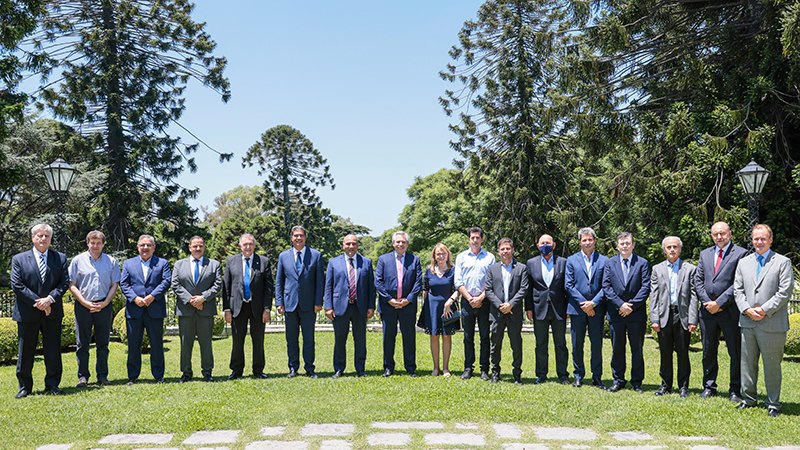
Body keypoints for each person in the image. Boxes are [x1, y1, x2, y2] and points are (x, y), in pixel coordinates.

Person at [733, 224, 794, 417]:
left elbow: (785, 291)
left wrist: (764, 309)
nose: (759, 242)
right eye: (756, 239)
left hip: (772, 323)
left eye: (763, 239)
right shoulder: (744, 262)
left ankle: (773, 403)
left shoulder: (782, 262)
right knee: (747, 364)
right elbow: (737, 290)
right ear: (752, 240)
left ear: (770, 240)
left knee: (772, 365)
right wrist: (747, 309)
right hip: (748, 321)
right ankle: (748, 399)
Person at [10, 223, 69, 398]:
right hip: (28, 312)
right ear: (33, 237)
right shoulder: (19, 259)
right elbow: (17, 285)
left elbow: (64, 283)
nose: (43, 238)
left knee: (53, 350)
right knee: (25, 351)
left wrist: (49, 300)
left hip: (52, 313)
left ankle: (52, 385)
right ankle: (24, 387)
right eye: (39, 235)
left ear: (50, 239)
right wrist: (38, 303)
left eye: (46, 236)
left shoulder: (60, 258)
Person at [695, 221, 747, 402]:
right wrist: (708, 302)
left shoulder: (741, 253)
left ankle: (735, 390)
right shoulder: (704, 254)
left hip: (730, 311)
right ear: (711, 235)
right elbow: (698, 281)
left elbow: (739, 283)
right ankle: (709, 386)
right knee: (708, 351)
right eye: (715, 234)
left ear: (730, 234)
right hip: (707, 312)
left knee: (735, 352)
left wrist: (720, 302)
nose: (719, 237)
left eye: (722, 234)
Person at [68, 230, 121, 388]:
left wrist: (104, 303)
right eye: (93, 242)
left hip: (104, 306)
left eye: (99, 243)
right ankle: (83, 377)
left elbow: (114, 284)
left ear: (103, 244)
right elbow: (72, 284)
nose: (95, 245)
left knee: (103, 343)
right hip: (83, 306)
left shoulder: (111, 261)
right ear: (88, 243)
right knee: (82, 344)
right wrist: (85, 302)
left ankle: (102, 376)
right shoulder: (78, 261)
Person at [649, 236, 698, 398]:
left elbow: (693, 296)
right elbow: (654, 295)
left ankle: (683, 386)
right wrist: (654, 319)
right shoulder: (657, 269)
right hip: (664, 316)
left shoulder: (689, 269)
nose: (672, 249)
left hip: (682, 315)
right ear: (664, 250)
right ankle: (665, 385)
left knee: (683, 353)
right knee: (665, 352)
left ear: (680, 249)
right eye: (668, 247)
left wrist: (692, 319)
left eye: (675, 247)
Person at [602, 232, 650, 393]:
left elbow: (645, 287)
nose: (625, 246)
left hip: (636, 315)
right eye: (622, 243)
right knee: (617, 348)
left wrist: (631, 306)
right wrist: (620, 305)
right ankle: (618, 380)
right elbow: (606, 287)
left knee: (637, 349)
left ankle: (637, 381)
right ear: (617, 246)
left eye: (628, 243)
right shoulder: (609, 263)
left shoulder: (642, 263)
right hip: (616, 314)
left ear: (633, 245)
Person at [120, 234, 171, 385]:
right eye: (142, 245)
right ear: (138, 247)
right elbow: (124, 284)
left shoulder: (162, 263)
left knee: (156, 344)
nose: (145, 248)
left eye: (148, 245)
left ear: (153, 247)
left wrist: (152, 296)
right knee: (134, 345)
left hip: (154, 309)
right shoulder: (129, 264)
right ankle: (133, 376)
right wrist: (135, 298)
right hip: (134, 310)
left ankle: (158, 376)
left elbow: (166, 281)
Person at [223, 233, 273, 380]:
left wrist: (267, 309)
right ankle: (236, 371)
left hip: (257, 308)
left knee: (258, 341)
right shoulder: (231, 261)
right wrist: (227, 310)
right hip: (237, 308)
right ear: (240, 246)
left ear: (254, 245)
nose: (248, 246)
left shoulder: (264, 262)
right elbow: (226, 288)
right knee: (237, 342)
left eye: (251, 244)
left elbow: (268, 288)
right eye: (245, 244)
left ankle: (258, 370)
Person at [276, 225, 324, 378]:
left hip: (309, 304)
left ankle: (309, 368)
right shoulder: (283, 256)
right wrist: (279, 302)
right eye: (296, 235)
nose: (298, 238)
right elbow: (279, 281)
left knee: (309, 338)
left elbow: (319, 282)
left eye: (301, 235)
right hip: (290, 303)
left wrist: (318, 302)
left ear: (305, 237)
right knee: (291, 338)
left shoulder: (315, 255)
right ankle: (293, 367)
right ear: (292, 238)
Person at [171, 236, 222, 382]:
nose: (198, 248)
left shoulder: (214, 264)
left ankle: (207, 372)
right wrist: (191, 300)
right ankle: (186, 372)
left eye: (200, 246)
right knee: (185, 343)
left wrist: (203, 298)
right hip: (186, 310)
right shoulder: (179, 265)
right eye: (195, 246)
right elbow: (175, 284)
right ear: (189, 247)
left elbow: (217, 284)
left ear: (204, 247)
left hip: (205, 310)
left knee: (206, 343)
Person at [324, 234, 376, 377]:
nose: (351, 247)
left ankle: (360, 369)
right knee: (340, 340)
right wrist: (328, 307)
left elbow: (371, 287)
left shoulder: (366, 262)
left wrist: (371, 307)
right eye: (348, 244)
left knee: (360, 340)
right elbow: (328, 287)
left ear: (357, 245)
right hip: (340, 307)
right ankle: (339, 369)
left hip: (360, 307)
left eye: (354, 244)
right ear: (343, 246)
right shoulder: (333, 263)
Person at [565, 227, 608, 389]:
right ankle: (578, 375)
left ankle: (597, 377)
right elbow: (569, 285)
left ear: (595, 240)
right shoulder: (571, 260)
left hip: (597, 309)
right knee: (577, 344)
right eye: (584, 240)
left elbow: (606, 285)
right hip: (577, 309)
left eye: (590, 239)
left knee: (596, 344)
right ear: (580, 242)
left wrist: (593, 303)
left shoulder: (604, 261)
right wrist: (584, 304)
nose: (587, 242)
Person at [375, 231, 422, 377]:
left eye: (403, 242)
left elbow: (418, 282)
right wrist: (390, 299)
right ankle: (388, 367)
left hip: (407, 306)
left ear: (407, 244)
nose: (400, 244)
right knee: (388, 338)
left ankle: (410, 368)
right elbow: (378, 281)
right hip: (388, 305)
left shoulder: (414, 260)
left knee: (409, 338)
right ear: (393, 243)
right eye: (398, 242)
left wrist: (408, 299)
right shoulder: (383, 259)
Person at [526, 234, 569, 385]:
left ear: (554, 245)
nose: (545, 245)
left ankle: (563, 374)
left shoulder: (563, 262)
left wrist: (569, 307)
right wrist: (528, 308)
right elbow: (529, 288)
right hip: (539, 309)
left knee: (560, 344)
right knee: (541, 344)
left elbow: (568, 287)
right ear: (538, 246)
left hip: (559, 309)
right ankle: (541, 374)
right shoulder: (531, 263)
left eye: (548, 242)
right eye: (542, 243)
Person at [485, 238, 529, 385]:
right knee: (495, 344)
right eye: (502, 249)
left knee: (516, 344)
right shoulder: (492, 269)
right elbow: (488, 289)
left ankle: (517, 374)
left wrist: (510, 304)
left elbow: (523, 289)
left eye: (508, 248)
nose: (505, 251)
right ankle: (495, 374)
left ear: (512, 250)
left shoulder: (521, 268)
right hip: (497, 313)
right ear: (498, 251)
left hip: (514, 312)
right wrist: (500, 305)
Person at [455, 226, 495, 381]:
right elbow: (458, 281)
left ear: (482, 239)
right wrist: (470, 298)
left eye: (478, 237)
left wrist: (480, 298)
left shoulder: (490, 257)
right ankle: (468, 368)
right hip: (466, 302)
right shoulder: (461, 257)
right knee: (467, 337)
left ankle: (484, 369)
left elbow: (492, 281)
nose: (475, 240)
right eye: (473, 237)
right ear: (468, 239)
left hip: (485, 302)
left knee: (485, 337)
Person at [419, 243, 460, 377]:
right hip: (432, 308)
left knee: (447, 336)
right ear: (434, 256)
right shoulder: (429, 270)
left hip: (448, 307)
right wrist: (426, 308)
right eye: (438, 254)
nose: (441, 256)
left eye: (443, 253)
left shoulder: (453, 270)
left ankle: (445, 368)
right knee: (434, 336)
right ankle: (435, 368)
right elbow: (425, 290)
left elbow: (458, 289)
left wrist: (450, 302)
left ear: (447, 255)